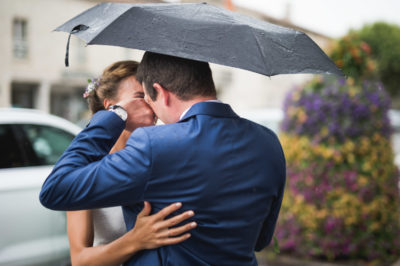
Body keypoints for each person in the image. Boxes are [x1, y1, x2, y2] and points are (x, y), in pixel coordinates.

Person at [40, 52, 286, 265]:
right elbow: (261, 239)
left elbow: (55, 189)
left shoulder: (154, 146)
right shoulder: (269, 141)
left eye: (147, 97)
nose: (149, 108)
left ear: (160, 93)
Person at [66, 60, 196, 266]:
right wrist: (136, 240)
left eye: (151, 96)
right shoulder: (87, 168)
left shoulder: (163, 152)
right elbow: (80, 260)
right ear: (112, 108)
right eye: (139, 97)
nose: (150, 105)